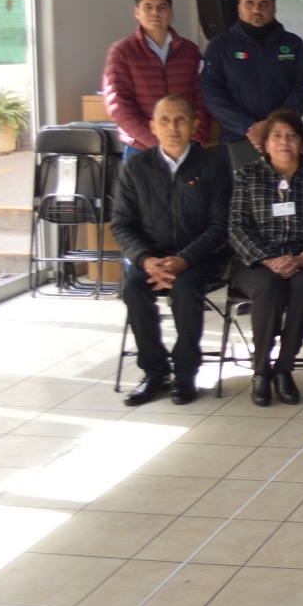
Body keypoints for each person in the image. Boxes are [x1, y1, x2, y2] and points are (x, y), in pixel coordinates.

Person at [111, 96, 232, 407]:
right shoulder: (136, 166)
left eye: (180, 120)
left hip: (202, 258)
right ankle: (155, 373)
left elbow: (221, 225)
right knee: (134, 288)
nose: (172, 127)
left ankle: (185, 375)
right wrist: (145, 259)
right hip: (152, 257)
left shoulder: (214, 165)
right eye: (164, 120)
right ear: (153, 127)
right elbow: (122, 224)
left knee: (186, 288)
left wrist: (185, 260)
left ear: (194, 125)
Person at [227, 110, 303, 407]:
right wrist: (268, 260)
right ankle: (261, 371)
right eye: (276, 136)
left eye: (292, 136)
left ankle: (284, 368)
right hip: (256, 263)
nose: (284, 142)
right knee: (269, 287)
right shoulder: (248, 176)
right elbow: (237, 228)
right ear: (265, 144)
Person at [200, 0, 303, 154]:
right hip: (239, 141)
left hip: (284, 141)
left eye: (264, 4)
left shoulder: (293, 44)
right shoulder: (219, 46)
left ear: (274, 8)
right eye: (249, 3)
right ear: (239, 8)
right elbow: (211, 93)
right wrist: (247, 127)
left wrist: (274, 125)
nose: (256, 10)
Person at [102, 0, 209, 154]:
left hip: (186, 147)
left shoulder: (190, 50)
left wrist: (195, 138)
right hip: (141, 148)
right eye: (148, 7)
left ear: (171, 13)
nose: (155, 13)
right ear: (137, 13)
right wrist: (156, 144)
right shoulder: (122, 51)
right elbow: (119, 105)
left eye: (161, 8)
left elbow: (202, 97)